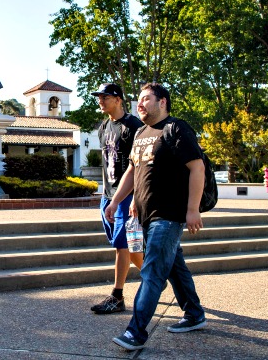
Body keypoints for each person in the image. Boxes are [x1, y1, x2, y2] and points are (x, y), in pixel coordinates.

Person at [104, 83, 206, 351]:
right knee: (174, 266)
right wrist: (118, 201)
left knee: (152, 271)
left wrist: (192, 209)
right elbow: (133, 171)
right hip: (146, 214)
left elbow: (197, 168)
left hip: (169, 215)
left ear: (162, 102)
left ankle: (135, 332)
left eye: (146, 99)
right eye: (139, 99)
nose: (140, 104)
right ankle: (194, 313)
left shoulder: (176, 128)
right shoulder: (140, 132)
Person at [90, 83, 144, 315]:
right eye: (99, 97)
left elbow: (141, 166)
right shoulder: (103, 127)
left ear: (118, 100)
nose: (100, 100)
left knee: (122, 246)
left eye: (105, 96)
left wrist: (136, 198)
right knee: (129, 248)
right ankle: (155, 276)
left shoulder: (134, 127)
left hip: (127, 196)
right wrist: (105, 196)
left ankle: (117, 296)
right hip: (108, 196)